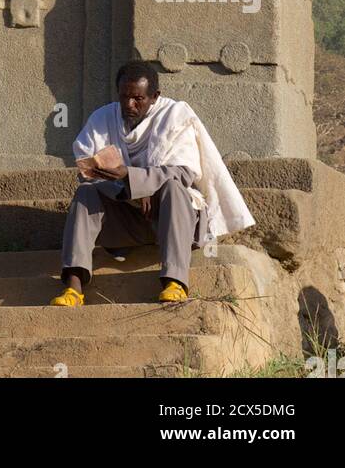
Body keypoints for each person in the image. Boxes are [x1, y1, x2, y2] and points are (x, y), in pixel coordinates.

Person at [50, 60, 255, 306]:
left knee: (173, 187)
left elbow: (184, 172)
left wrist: (134, 178)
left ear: (154, 96)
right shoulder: (102, 118)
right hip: (126, 220)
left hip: (170, 218)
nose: (129, 104)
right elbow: (87, 170)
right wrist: (132, 188)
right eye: (124, 97)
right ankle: (74, 287)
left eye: (138, 98)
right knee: (85, 193)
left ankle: (175, 282)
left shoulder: (175, 115)